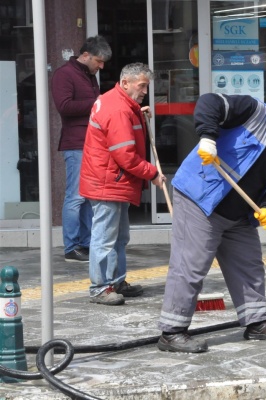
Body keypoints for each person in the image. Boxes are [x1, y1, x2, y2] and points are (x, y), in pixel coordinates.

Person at [157, 90, 266, 353]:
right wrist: (208, 138)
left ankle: (256, 323)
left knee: (250, 265)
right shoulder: (252, 111)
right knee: (190, 266)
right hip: (201, 198)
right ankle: (172, 332)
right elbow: (210, 102)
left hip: (239, 215)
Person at [79, 63, 166, 305]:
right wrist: (152, 173)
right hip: (108, 182)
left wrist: (139, 113)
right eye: (142, 86)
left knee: (118, 236)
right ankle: (100, 288)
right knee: (106, 237)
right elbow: (125, 155)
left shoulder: (119, 103)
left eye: (147, 86)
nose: (145, 91)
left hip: (111, 180)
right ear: (125, 83)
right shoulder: (118, 109)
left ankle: (116, 281)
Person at [51, 35, 112, 263]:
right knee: (76, 197)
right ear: (85, 55)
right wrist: (97, 103)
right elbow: (64, 106)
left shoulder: (89, 75)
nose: (101, 66)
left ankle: (86, 244)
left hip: (92, 142)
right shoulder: (64, 74)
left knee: (88, 197)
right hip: (76, 143)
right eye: (98, 61)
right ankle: (72, 246)